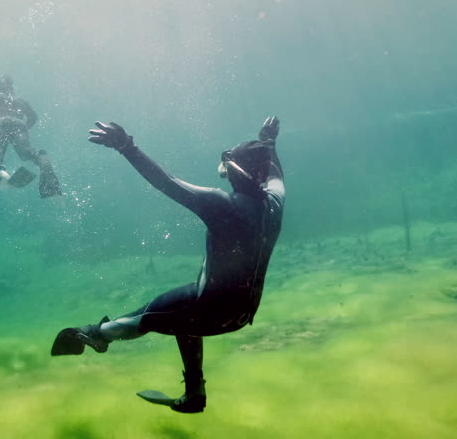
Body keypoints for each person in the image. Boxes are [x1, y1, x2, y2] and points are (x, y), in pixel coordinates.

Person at [51, 117, 285, 413]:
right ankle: (194, 393)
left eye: (227, 166)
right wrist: (268, 143)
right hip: (241, 314)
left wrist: (127, 147)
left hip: (207, 313)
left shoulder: (221, 205)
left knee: (148, 316)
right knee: (183, 313)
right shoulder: (274, 205)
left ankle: (97, 335)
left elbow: (167, 183)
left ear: (237, 171)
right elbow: (275, 173)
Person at [0, 76, 61, 197]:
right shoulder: (20, 100)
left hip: (2, 123)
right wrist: (24, 129)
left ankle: (3, 176)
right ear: (12, 88)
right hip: (20, 125)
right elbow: (33, 117)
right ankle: (40, 158)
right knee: (25, 152)